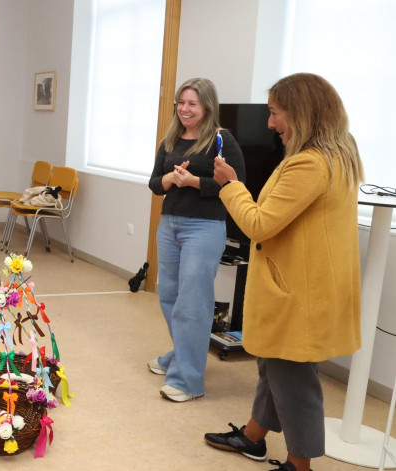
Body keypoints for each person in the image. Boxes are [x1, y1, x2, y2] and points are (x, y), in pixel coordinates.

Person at [204, 73, 363, 471]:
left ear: (302, 113)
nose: (271, 123)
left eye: (275, 113)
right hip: (304, 284)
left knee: (293, 380)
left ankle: (299, 463)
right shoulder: (338, 155)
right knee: (272, 363)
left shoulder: (310, 164)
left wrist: (231, 184)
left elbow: (258, 224)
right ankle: (254, 437)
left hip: (298, 291)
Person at [146, 78, 246, 402]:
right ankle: (182, 356)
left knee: (193, 303)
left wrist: (192, 182)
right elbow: (154, 183)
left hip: (204, 227)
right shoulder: (170, 139)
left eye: (193, 103)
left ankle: (188, 380)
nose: (185, 109)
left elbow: (235, 184)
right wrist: (171, 179)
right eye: (181, 102)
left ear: (207, 106)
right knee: (170, 297)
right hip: (170, 224)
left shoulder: (221, 140)